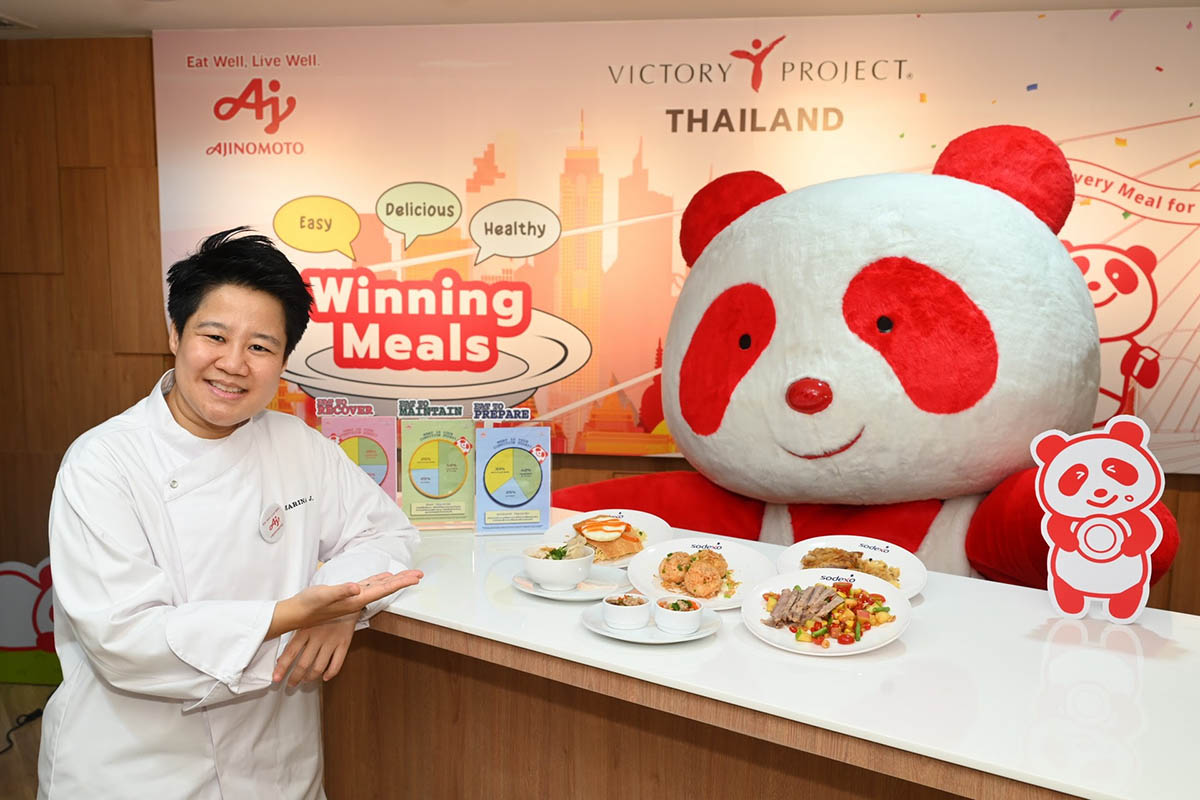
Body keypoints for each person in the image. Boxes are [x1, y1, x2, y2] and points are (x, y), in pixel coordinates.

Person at [37, 228, 423, 799]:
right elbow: (124, 640)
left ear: (284, 360)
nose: (234, 364)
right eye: (214, 336)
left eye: (261, 347)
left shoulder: (298, 445)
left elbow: (386, 535)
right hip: (133, 770)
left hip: (275, 766)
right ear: (175, 333)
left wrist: (341, 604)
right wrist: (288, 615)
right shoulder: (103, 462)